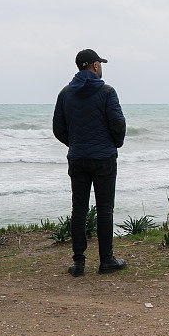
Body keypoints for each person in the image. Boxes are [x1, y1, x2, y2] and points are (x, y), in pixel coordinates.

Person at [52, 49, 127, 276]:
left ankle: (79, 264)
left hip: (78, 159)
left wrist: (75, 143)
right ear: (95, 66)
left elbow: (58, 129)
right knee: (105, 210)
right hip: (104, 159)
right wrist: (114, 144)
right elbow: (118, 123)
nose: (101, 67)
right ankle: (106, 261)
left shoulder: (66, 93)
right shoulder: (107, 91)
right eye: (100, 63)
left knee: (79, 211)